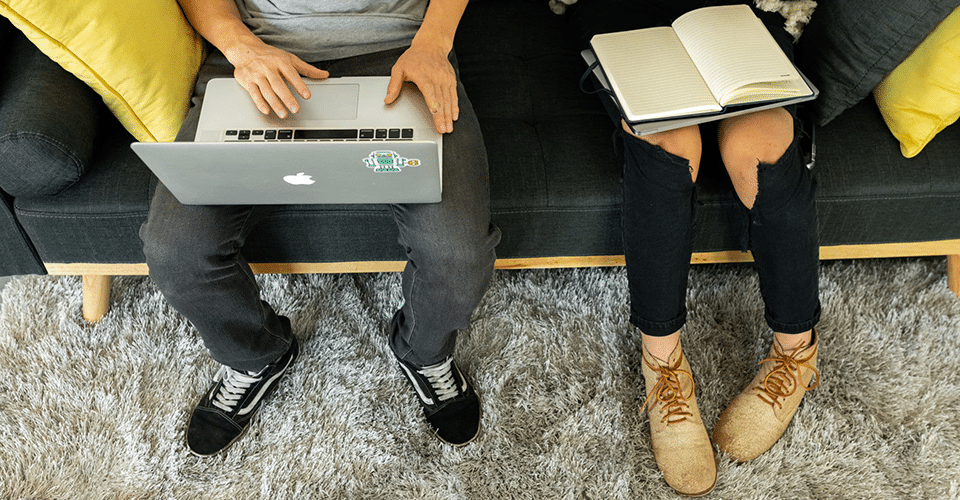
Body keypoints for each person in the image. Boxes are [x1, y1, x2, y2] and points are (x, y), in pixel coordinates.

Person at [140, 0, 501, 456]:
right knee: (175, 249)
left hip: (401, 50)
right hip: (262, 54)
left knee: (459, 253)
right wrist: (242, 48)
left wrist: (433, 43)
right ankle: (255, 356)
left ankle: (424, 353)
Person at [568, 0, 821, 495]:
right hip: (624, 12)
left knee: (760, 148)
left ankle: (798, 353)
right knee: (668, 141)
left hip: (739, 8)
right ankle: (662, 364)